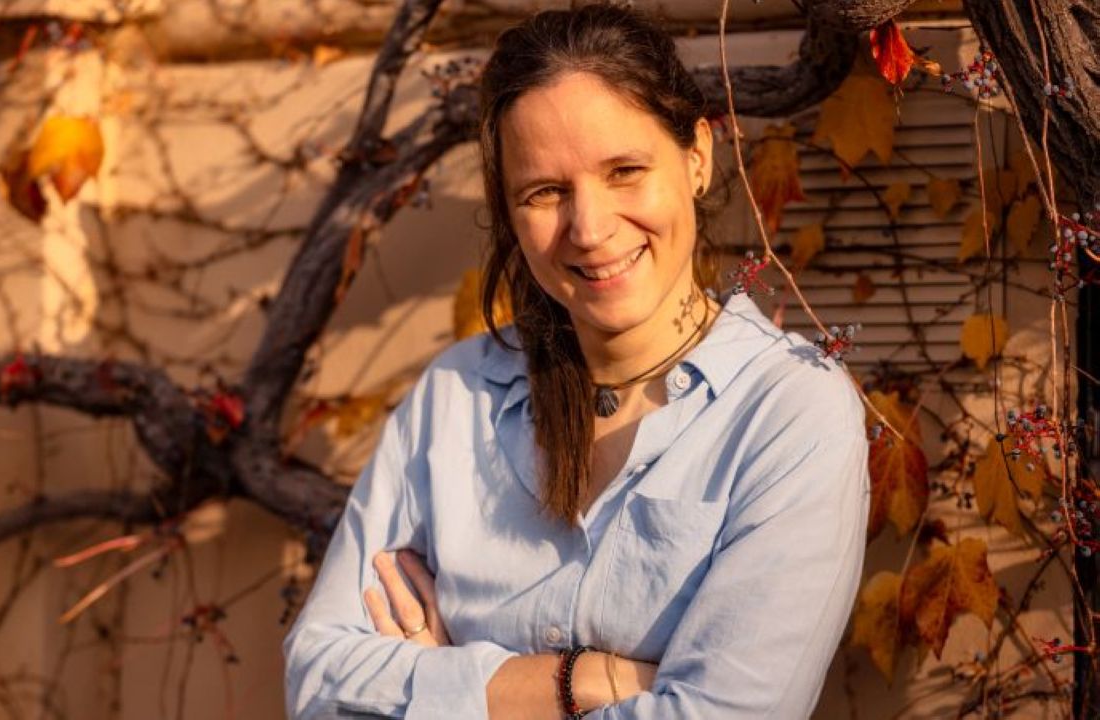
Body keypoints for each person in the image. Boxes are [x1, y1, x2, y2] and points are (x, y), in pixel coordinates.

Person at [283, 4, 870, 718]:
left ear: (697, 156)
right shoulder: (456, 396)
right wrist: (579, 681)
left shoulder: (788, 411)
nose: (589, 229)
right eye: (545, 192)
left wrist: (450, 690)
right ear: (508, 209)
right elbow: (318, 683)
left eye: (624, 171)